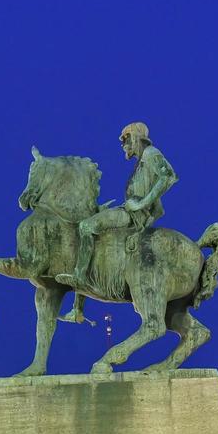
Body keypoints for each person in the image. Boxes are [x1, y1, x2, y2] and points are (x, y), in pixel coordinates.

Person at [58, 121, 177, 322]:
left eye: (126, 139)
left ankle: (80, 276)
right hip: (133, 215)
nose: (124, 145)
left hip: (129, 213)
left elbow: (168, 176)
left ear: (136, 137)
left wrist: (140, 205)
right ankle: (77, 310)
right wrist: (144, 225)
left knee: (86, 227)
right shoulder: (143, 163)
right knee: (93, 236)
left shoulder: (150, 154)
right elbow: (159, 210)